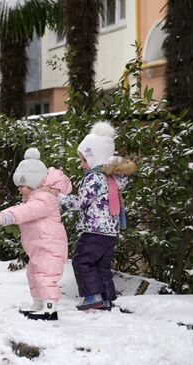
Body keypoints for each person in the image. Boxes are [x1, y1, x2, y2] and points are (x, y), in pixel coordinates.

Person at [0, 148, 72, 321]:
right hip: (38, 246)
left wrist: (3, 218)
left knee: (46, 275)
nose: (19, 189)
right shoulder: (35, 197)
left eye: (23, 185)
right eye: (18, 185)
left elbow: (25, 212)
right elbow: (22, 209)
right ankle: (38, 304)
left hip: (49, 245)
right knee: (33, 274)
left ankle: (50, 308)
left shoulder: (44, 199)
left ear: (34, 184)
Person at [60, 121, 136, 311]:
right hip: (110, 232)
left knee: (82, 261)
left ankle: (93, 297)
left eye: (83, 159)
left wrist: (58, 199)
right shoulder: (112, 177)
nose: (81, 165)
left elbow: (80, 202)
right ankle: (106, 299)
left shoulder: (94, 178)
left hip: (94, 230)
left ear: (94, 158)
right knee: (102, 265)